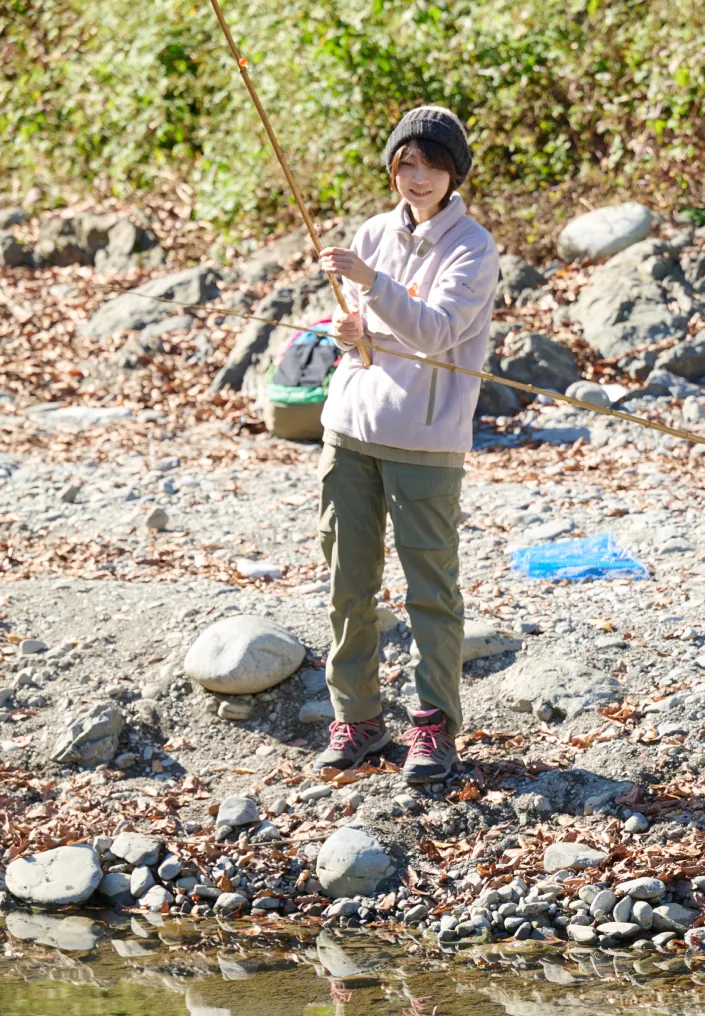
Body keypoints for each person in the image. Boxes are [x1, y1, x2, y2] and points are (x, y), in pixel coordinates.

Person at [312, 105, 500, 785]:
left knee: (431, 592)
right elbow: (364, 327)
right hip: (349, 431)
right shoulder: (373, 233)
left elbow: (434, 332)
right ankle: (356, 719)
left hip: (424, 441)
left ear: (453, 174)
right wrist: (349, 329)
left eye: (431, 165)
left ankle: (433, 728)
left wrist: (371, 285)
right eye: (405, 163)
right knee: (348, 586)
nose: (416, 178)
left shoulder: (474, 247)